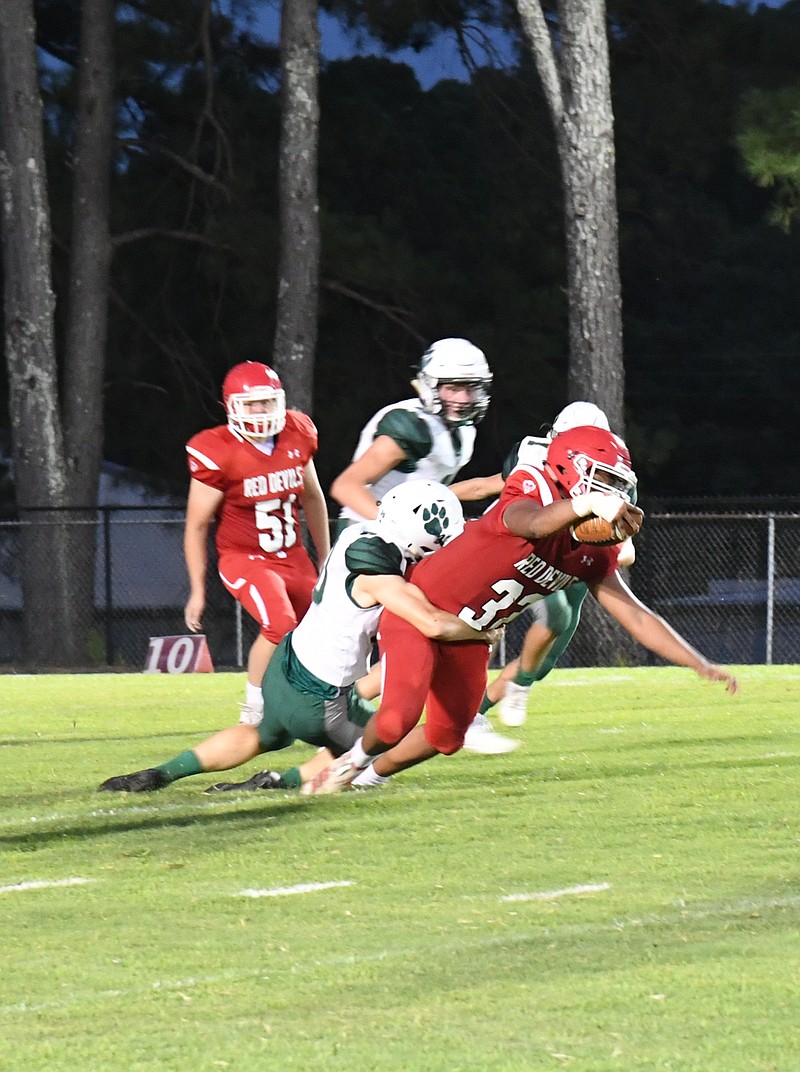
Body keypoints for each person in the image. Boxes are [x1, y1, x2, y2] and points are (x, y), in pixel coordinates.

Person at [302, 425, 739, 795]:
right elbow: (531, 523)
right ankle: (347, 763)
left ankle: (366, 780)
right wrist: (585, 505)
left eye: (616, 487)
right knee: (398, 718)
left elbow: (636, 615)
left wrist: (697, 662)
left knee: (447, 736)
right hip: (422, 610)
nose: (611, 495)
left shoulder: (591, 550)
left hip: (472, 635)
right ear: (569, 472)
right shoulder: (530, 489)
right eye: (602, 482)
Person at [98, 481, 498, 794]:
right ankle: (284, 781)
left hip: (287, 664)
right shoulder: (380, 574)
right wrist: (482, 628)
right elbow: (432, 624)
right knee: (382, 746)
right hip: (321, 698)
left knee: (263, 733)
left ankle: (162, 773)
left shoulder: (357, 533)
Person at [329, 336, 517, 754]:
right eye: (454, 386)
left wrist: (506, 484)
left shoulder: (460, 433)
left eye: (471, 387)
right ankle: (455, 714)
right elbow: (345, 485)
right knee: (433, 623)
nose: (464, 396)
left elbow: (438, 491)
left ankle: (357, 708)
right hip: (373, 541)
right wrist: (396, 524)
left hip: (414, 543)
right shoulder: (409, 427)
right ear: (430, 385)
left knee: (450, 615)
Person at [452, 401, 633, 733]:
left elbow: (626, 552)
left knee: (544, 663)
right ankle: (477, 704)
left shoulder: (609, 469)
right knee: (555, 617)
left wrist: (598, 541)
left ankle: (480, 710)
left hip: (574, 563)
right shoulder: (535, 458)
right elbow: (488, 487)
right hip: (531, 549)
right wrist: (429, 497)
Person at [182, 361, 330, 726]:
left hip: (293, 555)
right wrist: (197, 591)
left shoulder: (297, 433)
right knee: (279, 623)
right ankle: (254, 708)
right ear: (232, 407)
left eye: (266, 402)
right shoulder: (217, 450)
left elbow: (312, 498)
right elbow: (197, 525)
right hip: (245, 557)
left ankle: (316, 703)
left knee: (320, 630)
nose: (261, 411)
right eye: (252, 404)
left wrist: (326, 556)